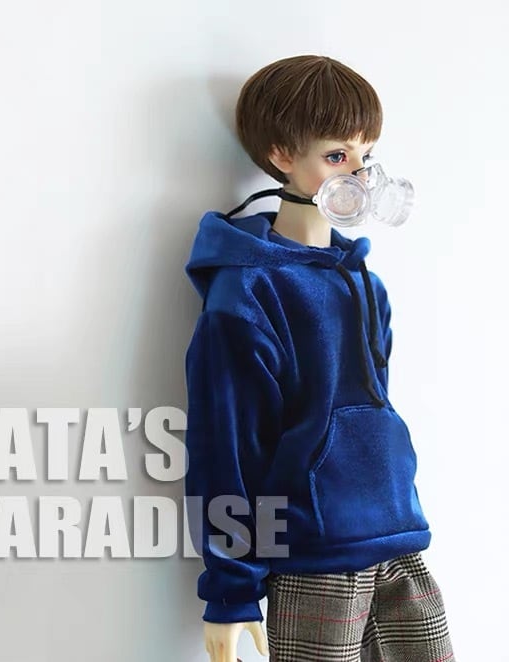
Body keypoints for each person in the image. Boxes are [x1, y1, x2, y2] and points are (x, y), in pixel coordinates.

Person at [183, 55, 456, 662]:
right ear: (282, 155)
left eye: (366, 154)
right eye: (337, 156)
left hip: (399, 538)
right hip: (315, 558)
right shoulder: (246, 293)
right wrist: (231, 589)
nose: (359, 173)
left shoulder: (366, 284)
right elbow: (225, 447)